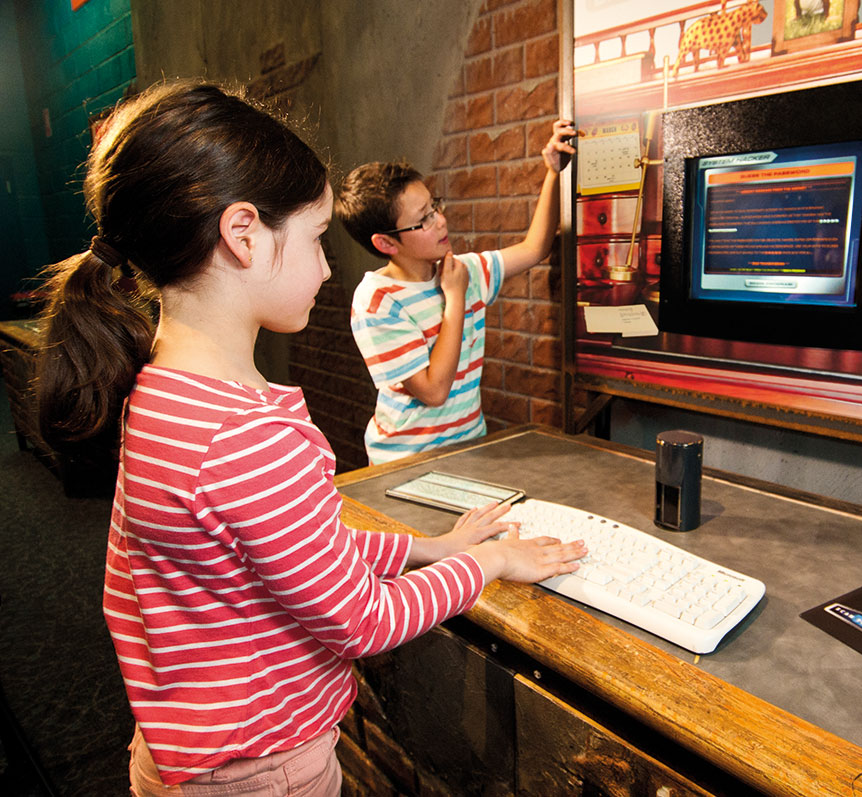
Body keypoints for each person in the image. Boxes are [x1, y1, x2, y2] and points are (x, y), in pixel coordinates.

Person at [34, 80, 585, 796]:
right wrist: (491, 562)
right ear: (242, 233)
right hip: (263, 771)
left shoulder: (160, 391)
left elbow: (291, 550)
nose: (328, 267)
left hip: (186, 755)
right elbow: (361, 617)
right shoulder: (250, 434)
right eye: (317, 239)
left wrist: (430, 547)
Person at [335, 119, 576, 463]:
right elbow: (434, 391)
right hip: (405, 461)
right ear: (386, 242)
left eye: (435, 207)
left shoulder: (462, 271)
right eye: (425, 219)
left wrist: (553, 172)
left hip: (469, 448)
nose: (441, 221)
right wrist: (456, 297)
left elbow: (534, 248)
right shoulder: (377, 300)